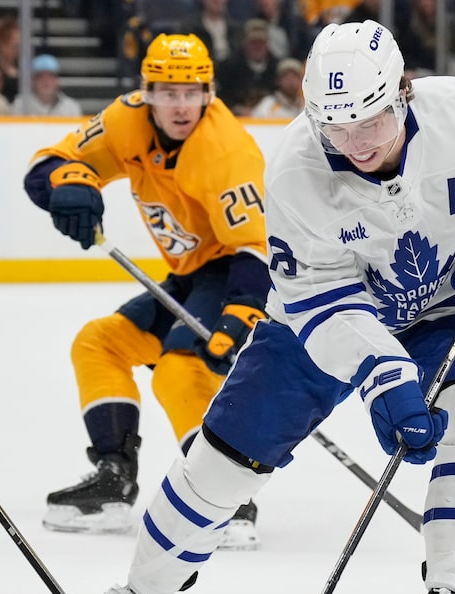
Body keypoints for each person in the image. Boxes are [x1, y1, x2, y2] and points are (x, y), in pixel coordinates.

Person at [51, 21, 455, 594]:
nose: (356, 142)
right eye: (336, 125)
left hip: (441, 304)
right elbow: (323, 303)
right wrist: (384, 372)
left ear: (403, 93)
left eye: (371, 120)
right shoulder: (295, 172)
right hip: (317, 322)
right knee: (217, 464)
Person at [22, 34, 270, 550]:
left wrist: (241, 313)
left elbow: (256, 249)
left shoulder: (227, 152)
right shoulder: (125, 120)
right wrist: (72, 184)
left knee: (181, 370)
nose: (180, 106)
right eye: (168, 93)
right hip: (188, 274)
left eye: (191, 93)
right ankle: (114, 477)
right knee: (98, 343)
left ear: (208, 93)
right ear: (146, 92)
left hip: (233, 273)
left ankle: (224, 496)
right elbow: (45, 164)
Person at [11, 53, 82, 116]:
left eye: (51, 76)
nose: (46, 81)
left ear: (57, 80)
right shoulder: (20, 105)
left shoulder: (71, 107)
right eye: (40, 76)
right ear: (32, 81)